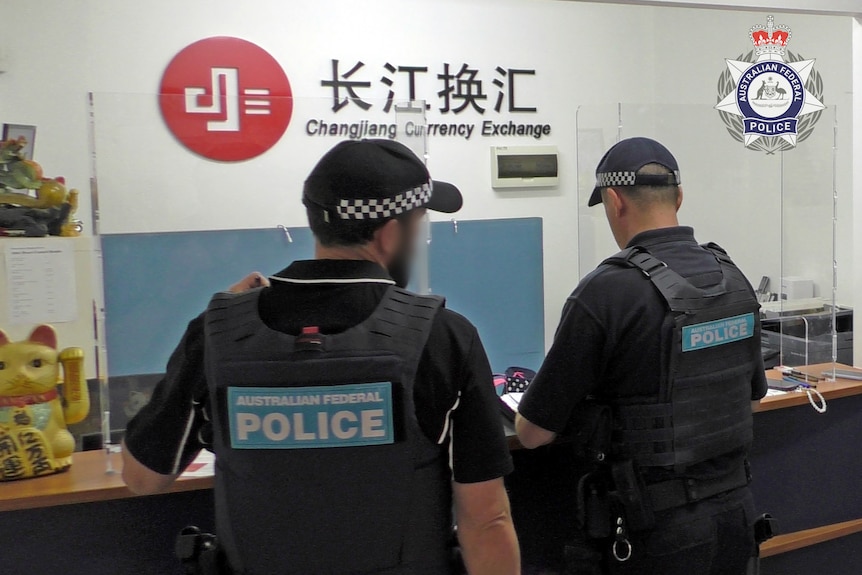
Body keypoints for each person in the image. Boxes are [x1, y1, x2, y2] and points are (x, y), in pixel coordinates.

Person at [122, 139, 520, 575]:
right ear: (388, 232)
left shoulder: (218, 332)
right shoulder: (444, 338)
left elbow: (143, 478)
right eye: (418, 223)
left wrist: (207, 326)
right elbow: (485, 521)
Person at [515, 137, 767, 575]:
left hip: (656, 532)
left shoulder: (606, 292)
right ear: (680, 197)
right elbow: (750, 398)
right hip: (737, 518)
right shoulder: (734, 278)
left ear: (614, 201)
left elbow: (533, 433)